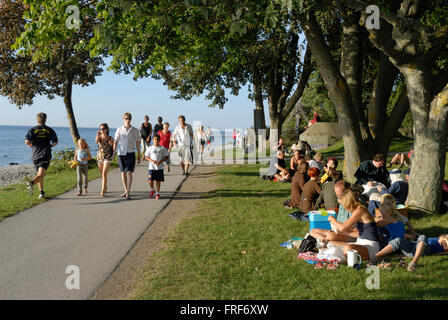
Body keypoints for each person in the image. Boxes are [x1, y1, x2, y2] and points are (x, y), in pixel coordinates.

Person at [328, 189, 380, 261]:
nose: (344, 208)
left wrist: (332, 219)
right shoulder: (358, 210)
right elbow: (356, 233)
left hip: (370, 247)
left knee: (348, 248)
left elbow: (342, 227)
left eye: (343, 205)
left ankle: (343, 258)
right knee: (330, 243)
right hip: (361, 242)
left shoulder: (360, 211)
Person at [25, 112, 58, 199]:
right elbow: (55, 142)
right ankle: (31, 183)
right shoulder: (49, 130)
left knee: (40, 174)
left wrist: (33, 146)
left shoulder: (32, 129)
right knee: (40, 175)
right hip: (45, 154)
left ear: (37, 119)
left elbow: (27, 141)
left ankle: (42, 193)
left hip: (35, 154)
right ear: (45, 119)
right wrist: (49, 146)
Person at [375, 234, 448, 272]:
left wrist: (446, 241)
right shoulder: (443, 237)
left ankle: (413, 263)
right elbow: (441, 236)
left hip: (425, 249)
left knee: (423, 237)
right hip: (414, 247)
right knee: (398, 240)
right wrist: (444, 238)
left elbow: (446, 247)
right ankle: (376, 257)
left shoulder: (445, 243)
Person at [114, 112, 141, 200]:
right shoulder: (119, 129)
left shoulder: (135, 130)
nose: (128, 120)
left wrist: (139, 155)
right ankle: (125, 190)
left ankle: (128, 192)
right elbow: (116, 141)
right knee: (123, 172)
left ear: (131, 119)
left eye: (129, 118)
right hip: (121, 153)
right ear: (123, 119)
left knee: (129, 172)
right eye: (126, 118)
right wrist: (114, 152)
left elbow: (137, 142)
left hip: (130, 152)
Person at [145, 135, 169, 199]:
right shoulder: (150, 148)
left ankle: (157, 193)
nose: (156, 141)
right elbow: (146, 157)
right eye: (155, 139)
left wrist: (161, 161)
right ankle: (152, 189)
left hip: (159, 167)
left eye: (157, 139)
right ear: (153, 140)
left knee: (158, 181)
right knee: (150, 180)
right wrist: (152, 161)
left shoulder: (162, 148)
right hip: (151, 167)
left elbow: (166, 157)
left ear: (159, 140)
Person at [95, 123, 114, 197]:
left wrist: (113, 155)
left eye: (103, 129)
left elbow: (112, 148)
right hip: (100, 156)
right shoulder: (99, 137)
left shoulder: (110, 138)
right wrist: (97, 135)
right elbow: (96, 142)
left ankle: (102, 191)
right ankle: (105, 186)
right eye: (100, 129)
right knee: (101, 174)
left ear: (107, 129)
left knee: (104, 174)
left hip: (107, 157)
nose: (101, 130)